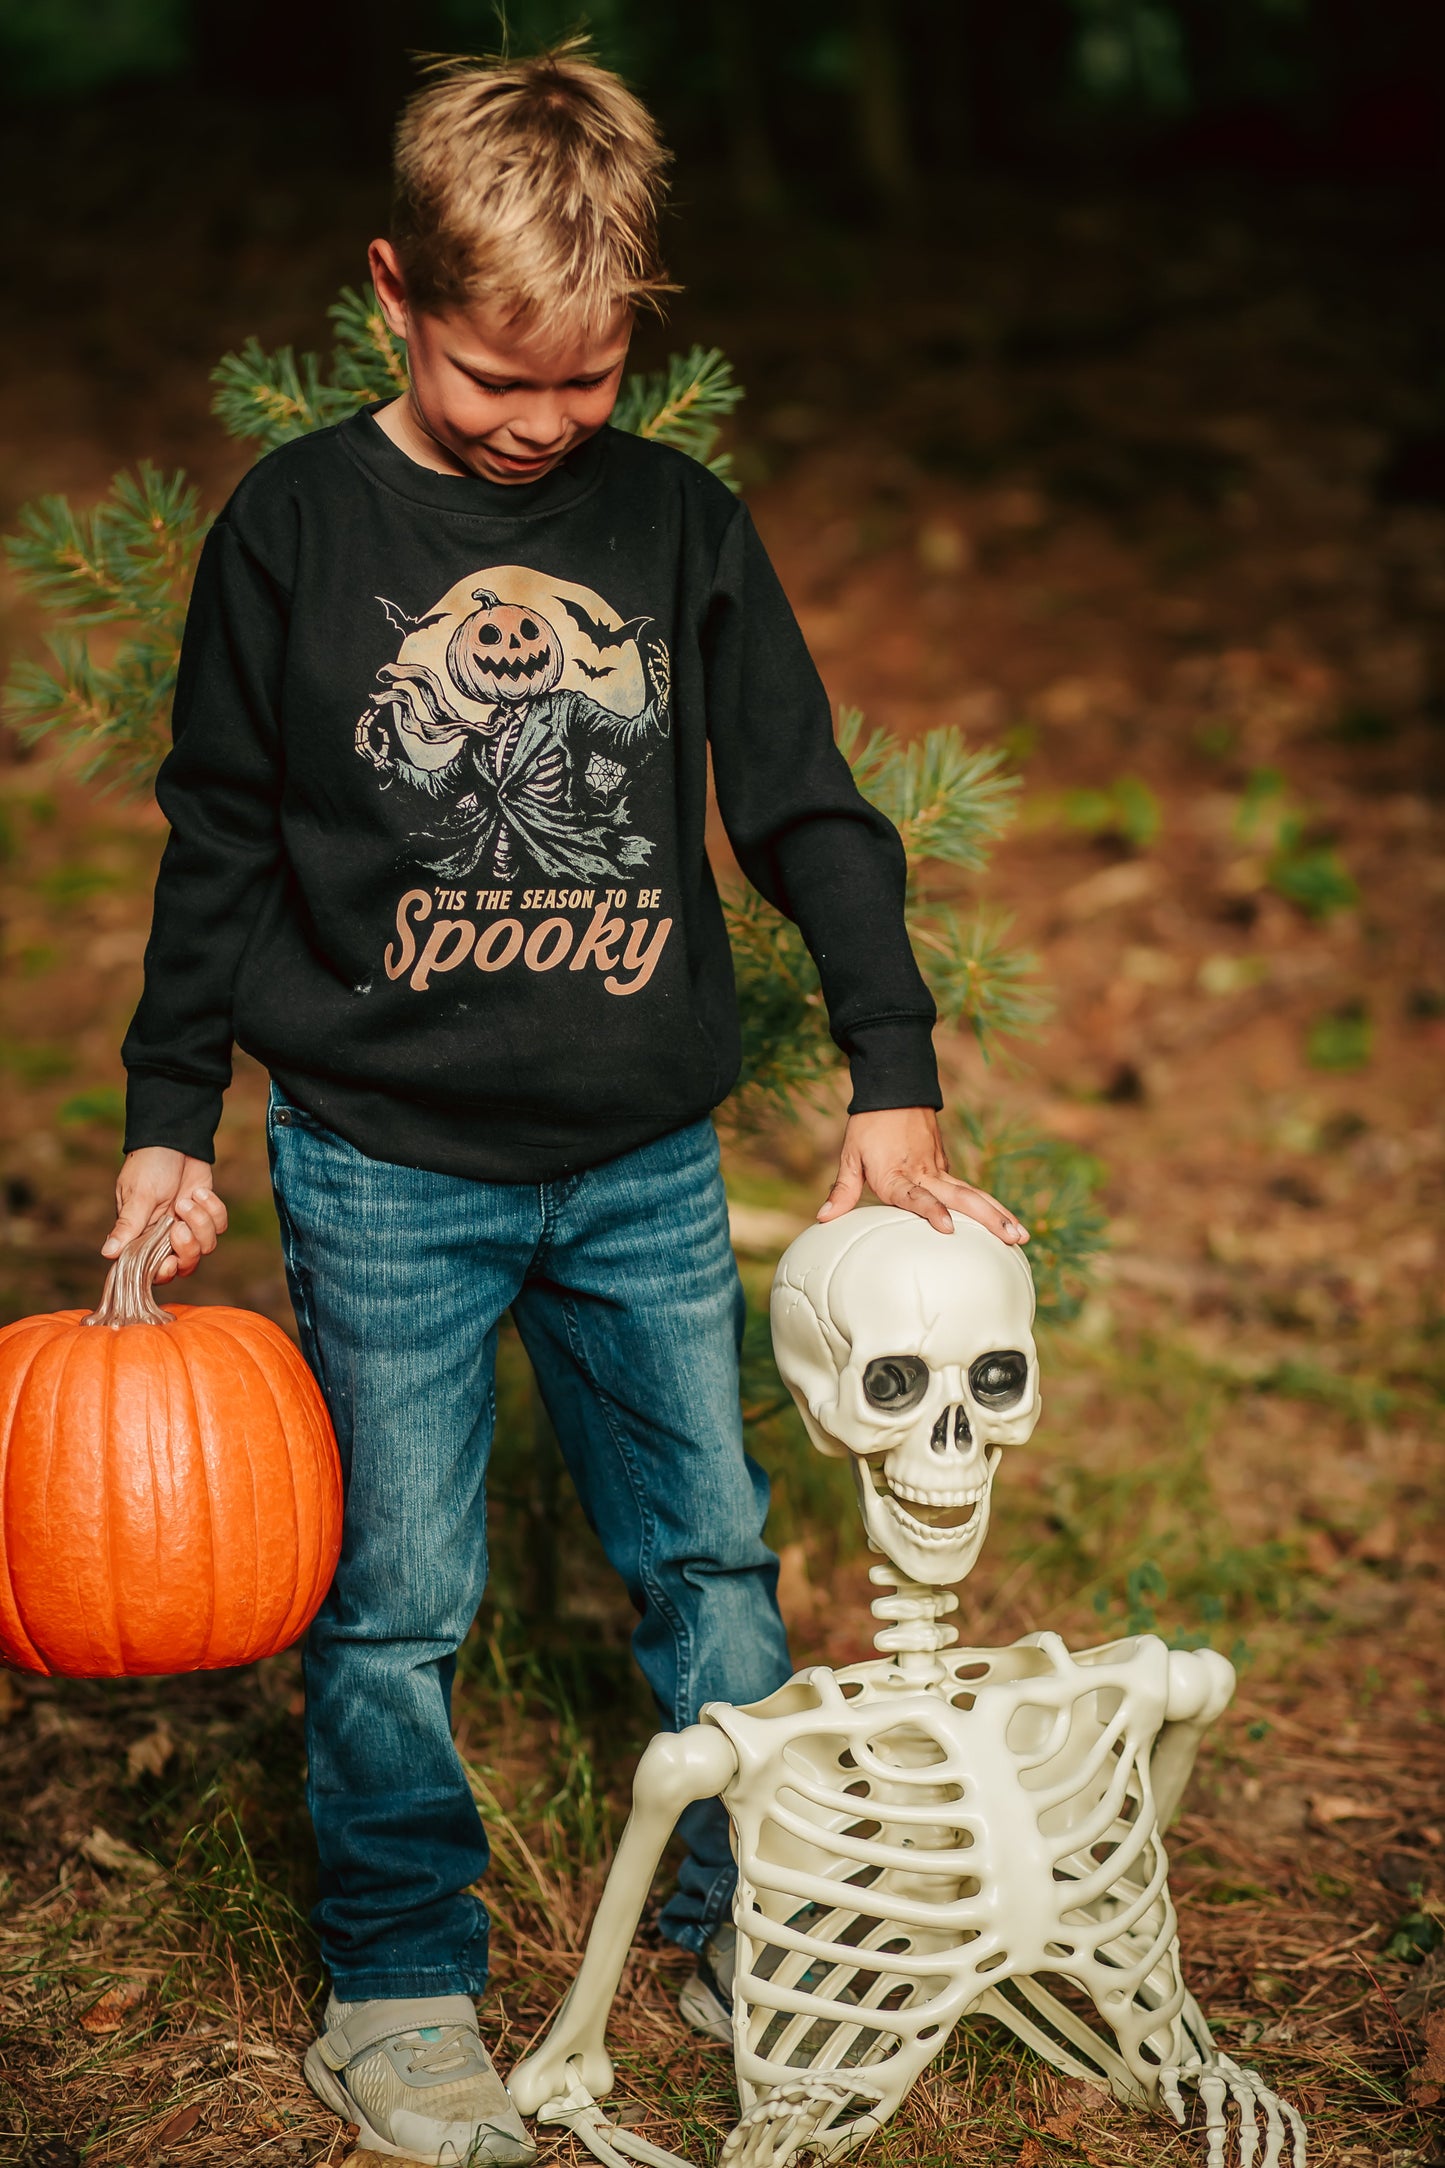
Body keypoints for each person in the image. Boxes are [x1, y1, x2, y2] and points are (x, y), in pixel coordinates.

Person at [109, 43, 1029, 2167]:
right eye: (491, 377)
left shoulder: (678, 523)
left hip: (637, 1168)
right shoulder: (297, 527)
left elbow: (806, 804)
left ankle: (745, 1926)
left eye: (587, 385)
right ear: (391, 294)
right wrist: (174, 1113)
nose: (538, 427)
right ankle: (401, 1978)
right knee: (397, 1591)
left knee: (708, 1553)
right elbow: (220, 831)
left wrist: (892, 1068)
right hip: (383, 1170)